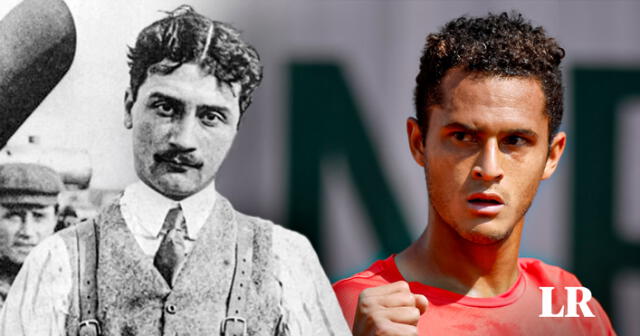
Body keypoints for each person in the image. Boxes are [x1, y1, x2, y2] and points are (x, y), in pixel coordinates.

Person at [0, 5, 349, 335]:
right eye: (165, 107)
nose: (183, 139)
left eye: (211, 117)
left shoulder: (284, 260)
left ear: (236, 127)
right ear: (129, 108)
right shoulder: (55, 263)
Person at [333, 12, 616, 335]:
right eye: (463, 137)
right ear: (418, 142)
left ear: (551, 156)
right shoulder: (350, 308)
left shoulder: (568, 303)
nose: (489, 169)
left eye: (515, 141)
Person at [0, 163, 63, 308]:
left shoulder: (72, 283)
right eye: (13, 216)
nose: (27, 232)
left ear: (55, 219)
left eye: (39, 216)